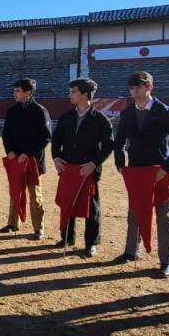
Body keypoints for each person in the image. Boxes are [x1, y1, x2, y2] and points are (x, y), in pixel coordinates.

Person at [113, 71, 169, 278]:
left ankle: (166, 261)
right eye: (132, 88)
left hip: (158, 172)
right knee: (134, 213)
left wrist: (166, 169)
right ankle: (131, 251)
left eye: (138, 88)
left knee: (164, 216)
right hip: (136, 172)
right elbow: (118, 142)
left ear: (149, 88)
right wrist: (120, 164)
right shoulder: (128, 113)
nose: (134, 92)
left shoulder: (165, 112)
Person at [51, 78, 114, 258]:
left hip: (88, 169)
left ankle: (91, 243)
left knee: (92, 208)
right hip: (68, 166)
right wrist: (56, 157)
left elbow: (109, 145)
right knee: (67, 203)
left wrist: (94, 163)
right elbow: (56, 140)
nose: (71, 95)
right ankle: (67, 237)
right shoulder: (66, 117)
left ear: (85, 94)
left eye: (74, 92)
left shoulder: (101, 120)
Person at [0, 78, 52, 238]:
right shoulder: (12, 111)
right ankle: (12, 223)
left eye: (18, 91)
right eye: (14, 90)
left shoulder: (40, 111)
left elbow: (46, 137)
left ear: (28, 92)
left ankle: (38, 228)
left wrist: (27, 153)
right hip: (15, 159)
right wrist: (10, 151)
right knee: (15, 190)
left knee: (34, 194)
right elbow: (6, 134)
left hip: (33, 161)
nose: (14, 93)